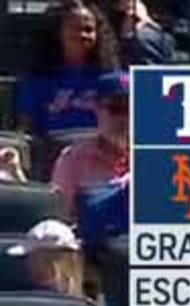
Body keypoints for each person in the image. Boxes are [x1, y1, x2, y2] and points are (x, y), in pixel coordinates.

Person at [17, 1, 120, 152]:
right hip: (51, 157)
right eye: (74, 28)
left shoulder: (112, 79)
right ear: (57, 32)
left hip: (103, 156)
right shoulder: (37, 80)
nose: (82, 35)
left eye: (88, 29)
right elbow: (26, 128)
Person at [47, 65, 124, 213]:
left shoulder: (158, 158)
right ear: (96, 108)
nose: (125, 118)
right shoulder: (72, 159)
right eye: (116, 108)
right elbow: (61, 218)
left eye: (132, 108)